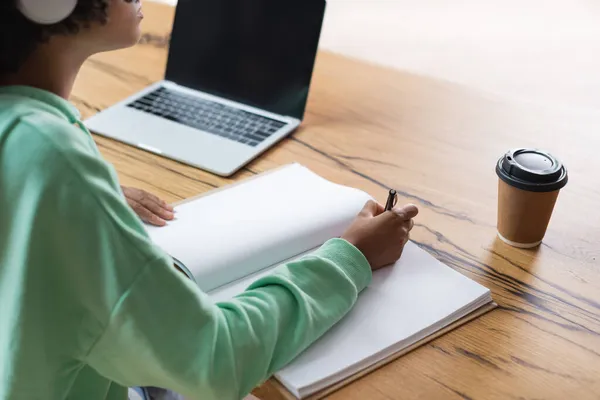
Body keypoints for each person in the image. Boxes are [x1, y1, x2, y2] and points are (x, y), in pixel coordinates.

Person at [0, 1, 419, 399]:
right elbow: (214, 360)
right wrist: (352, 257)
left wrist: (83, 198)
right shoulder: (53, 159)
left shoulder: (32, 141)